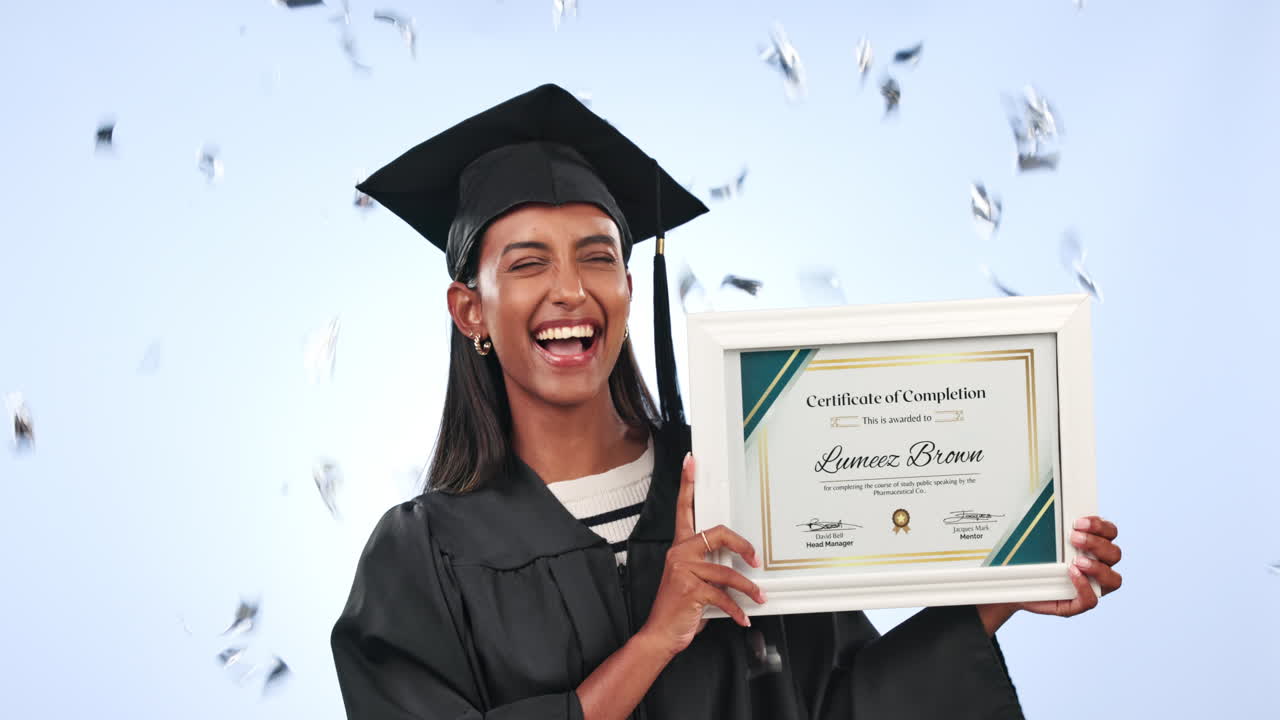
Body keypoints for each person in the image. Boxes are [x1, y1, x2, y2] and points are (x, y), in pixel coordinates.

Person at [330, 84, 1123, 720]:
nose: (570, 289)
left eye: (597, 257)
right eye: (530, 263)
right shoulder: (420, 558)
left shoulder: (740, 483)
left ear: (629, 290)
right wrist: (655, 640)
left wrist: (997, 595)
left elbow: (842, 705)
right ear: (471, 310)